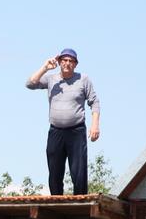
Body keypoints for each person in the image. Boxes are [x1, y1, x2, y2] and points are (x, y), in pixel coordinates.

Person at [26, 48, 100, 195]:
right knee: (54, 171)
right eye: (64, 60)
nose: (67, 63)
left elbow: (95, 102)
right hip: (56, 131)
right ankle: (56, 201)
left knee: (78, 172)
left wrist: (95, 126)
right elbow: (30, 83)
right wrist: (45, 67)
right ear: (59, 62)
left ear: (75, 64)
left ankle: (80, 202)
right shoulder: (51, 79)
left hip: (76, 131)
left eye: (71, 61)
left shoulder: (83, 79)